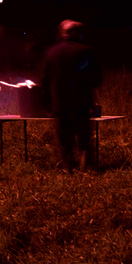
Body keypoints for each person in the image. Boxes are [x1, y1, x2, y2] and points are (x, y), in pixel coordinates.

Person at [40, 20, 103, 170]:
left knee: (64, 139)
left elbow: (44, 80)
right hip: (81, 102)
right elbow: (97, 78)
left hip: (59, 104)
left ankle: (67, 168)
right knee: (83, 138)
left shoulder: (51, 52)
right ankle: (86, 168)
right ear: (76, 33)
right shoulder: (86, 51)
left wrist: (47, 103)